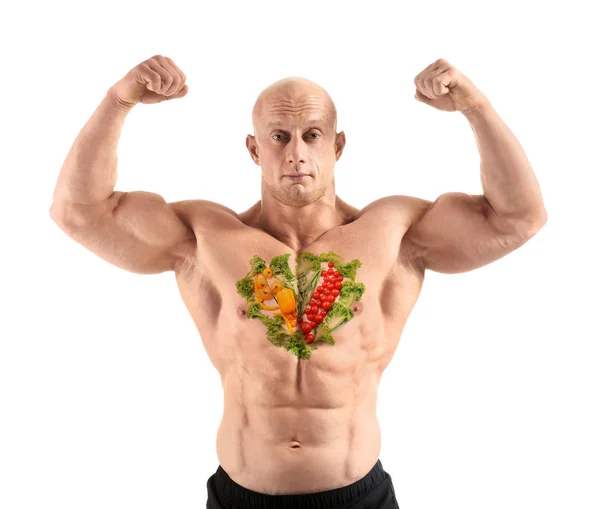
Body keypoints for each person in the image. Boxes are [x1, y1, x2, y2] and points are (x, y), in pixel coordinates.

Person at [50, 54, 547, 509]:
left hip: (358, 498)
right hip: (242, 496)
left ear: (337, 145)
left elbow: (518, 217)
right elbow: (78, 213)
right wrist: (120, 100)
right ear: (253, 148)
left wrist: (474, 106)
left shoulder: (395, 233)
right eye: (278, 136)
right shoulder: (204, 237)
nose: (295, 154)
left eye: (312, 135)